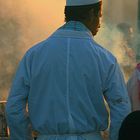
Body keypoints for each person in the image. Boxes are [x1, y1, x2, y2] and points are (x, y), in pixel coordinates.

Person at [5, 0, 131, 140]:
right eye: (99, 16)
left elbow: (14, 108)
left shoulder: (34, 55)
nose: (99, 24)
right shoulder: (104, 58)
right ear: (91, 14)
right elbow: (121, 108)